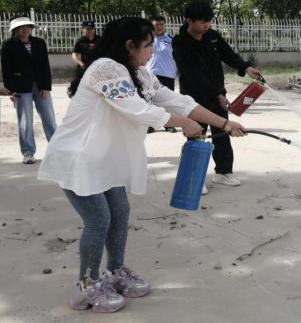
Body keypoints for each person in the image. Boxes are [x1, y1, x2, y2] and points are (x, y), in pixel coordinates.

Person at [38, 17, 246, 313]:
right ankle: (88, 285)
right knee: (99, 220)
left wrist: (224, 123)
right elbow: (138, 110)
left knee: (120, 212)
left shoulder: (139, 73)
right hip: (78, 158)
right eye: (148, 45)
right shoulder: (105, 68)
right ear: (129, 45)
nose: (152, 51)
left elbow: (178, 101)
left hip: (105, 159)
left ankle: (116, 271)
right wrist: (183, 123)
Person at [172, 2, 262, 193]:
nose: (207, 25)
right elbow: (194, 74)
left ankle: (223, 172)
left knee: (222, 133)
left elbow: (228, 54)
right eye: (202, 22)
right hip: (194, 98)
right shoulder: (180, 43)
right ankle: (193, 178)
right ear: (189, 21)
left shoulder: (212, 36)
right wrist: (217, 94)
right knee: (196, 135)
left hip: (217, 94)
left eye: (209, 21)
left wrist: (245, 67)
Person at [0, 15, 57, 164]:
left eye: (27, 27)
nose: (25, 30)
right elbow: (6, 70)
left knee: (49, 118)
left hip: (40, 86)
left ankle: (57, 149)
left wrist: (46, 86)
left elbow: (45, 66)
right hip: (20, 87)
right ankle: (28, 152)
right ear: (15, 30)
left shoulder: (39, 43)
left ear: (31, 28)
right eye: (21, 27)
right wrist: (11, 91)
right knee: (25, 121)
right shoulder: (8, 45)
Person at [145, 15, 177, 133]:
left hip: (167, 74)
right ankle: (151, 124)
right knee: (150, 100)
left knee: (167, 101)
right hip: (150, 74)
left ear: (165, 25)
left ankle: (169, 124)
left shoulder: (172, 40)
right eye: (156, 25)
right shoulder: (147, 40)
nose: (159, 27)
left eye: (161, 24)